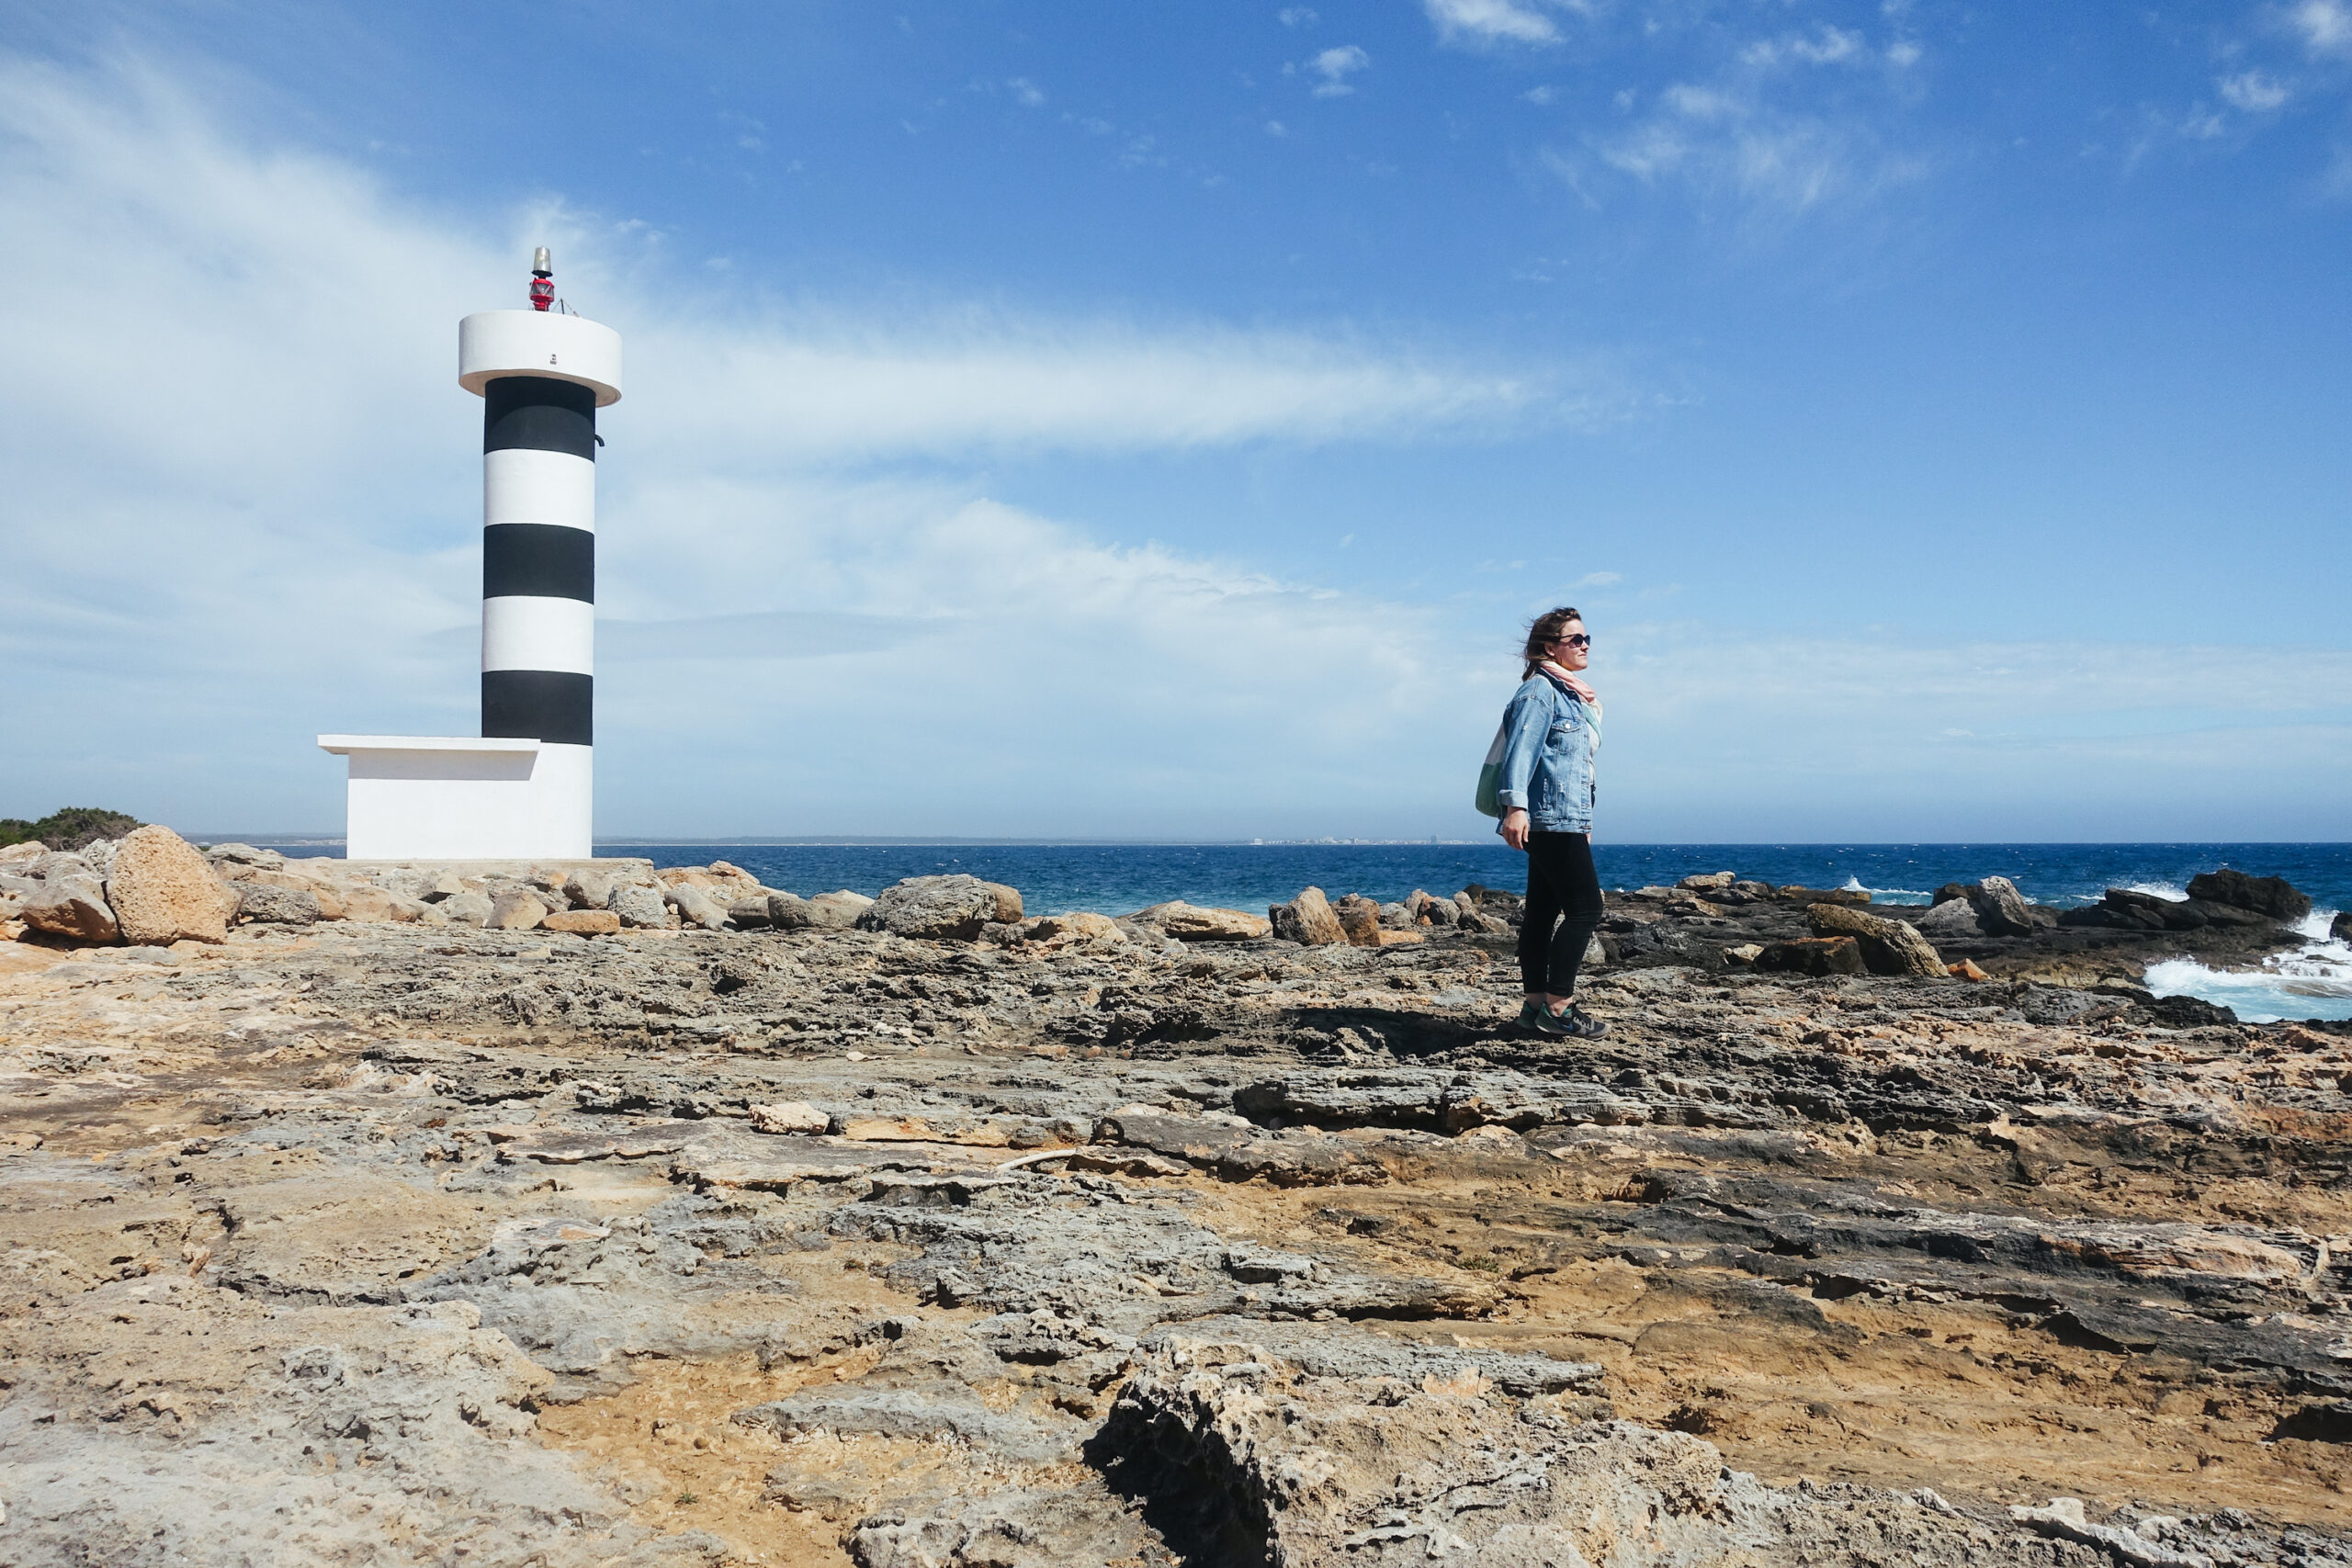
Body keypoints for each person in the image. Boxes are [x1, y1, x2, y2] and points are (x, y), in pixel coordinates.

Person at [1495, 606, 1607, 1039]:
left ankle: (1534, 1007)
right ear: (1550, 648)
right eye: (1575, 639)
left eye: (1586, 638)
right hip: (1547, 817)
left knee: (1542, 913)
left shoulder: (1571, 694)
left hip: (1564, 817)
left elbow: (1576, 765)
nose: (1584, 646)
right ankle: (1559, 1008)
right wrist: (1515, 807)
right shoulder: (1540, 692)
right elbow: (1519, 753)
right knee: (1586, 909)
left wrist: (1584, 818)